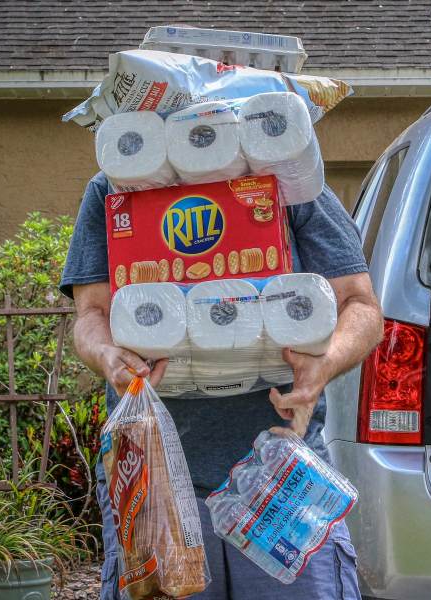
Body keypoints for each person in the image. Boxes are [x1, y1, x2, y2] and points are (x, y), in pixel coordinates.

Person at [60, 171, 383, 600]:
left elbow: (360, 305)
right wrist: (107, 356)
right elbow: (92, 314)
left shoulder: (285, 169)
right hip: (152, 477)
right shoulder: (117, 184)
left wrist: (324, 364)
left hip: (283, 474)